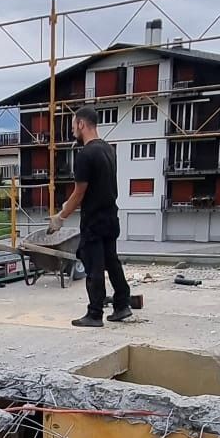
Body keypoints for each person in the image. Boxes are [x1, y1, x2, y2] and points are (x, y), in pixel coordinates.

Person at [53, 106, 132, 328]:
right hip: (110, 216)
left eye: (72, 127)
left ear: (81, 124)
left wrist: (61, 216)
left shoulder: (85, 155)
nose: (72, 132)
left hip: (94, 220)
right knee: (112, 261)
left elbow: (79, 193)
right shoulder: (108, 149)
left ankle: (95, 313)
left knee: (94, 265)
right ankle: (122, 305)